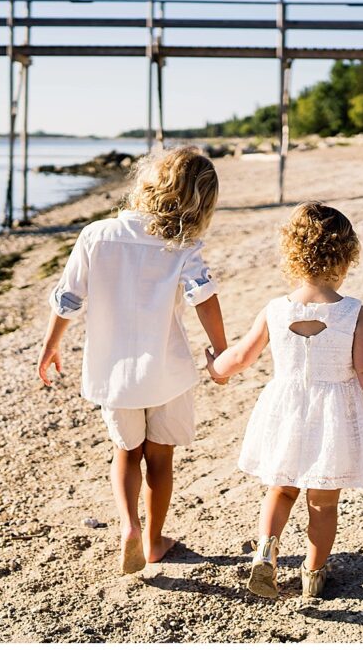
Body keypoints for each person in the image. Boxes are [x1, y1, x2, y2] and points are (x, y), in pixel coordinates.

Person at [37, 146, 228, 574]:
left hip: (114, 373)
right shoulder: (183, 244)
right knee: (160, 458)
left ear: (146, 184)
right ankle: (155, 539)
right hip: (168, 371)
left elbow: (68, 298)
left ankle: (129, 528)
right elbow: (204, 297)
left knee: (126, 453)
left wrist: (51, 345)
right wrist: (220, 350)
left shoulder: (96, 235)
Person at [206, 201, 363, 599]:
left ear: (291, 255)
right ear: (347, 257)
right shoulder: (352, 312)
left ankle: (266, 552)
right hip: (333, 417)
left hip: (285, 411)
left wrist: (216, 368)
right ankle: (313, 573)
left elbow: (242, 356)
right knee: (324, 503)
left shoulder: (276, 309)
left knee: (281, 490)